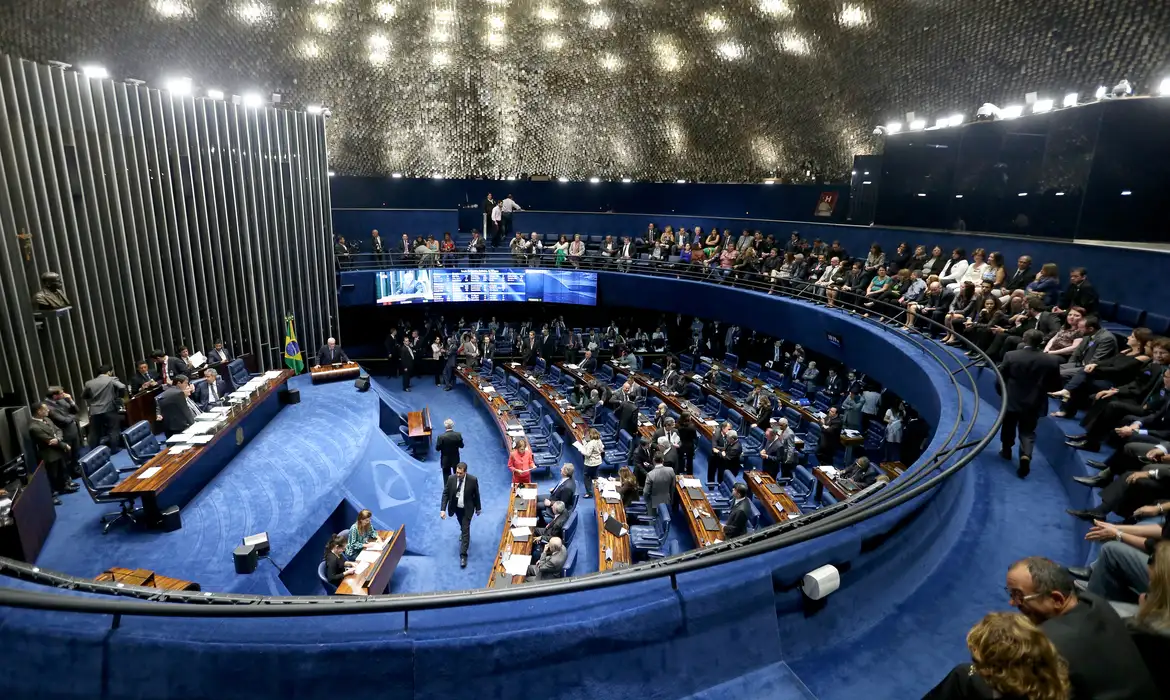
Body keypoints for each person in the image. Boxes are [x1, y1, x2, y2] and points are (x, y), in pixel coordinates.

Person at [1005, 556, 1158, 699]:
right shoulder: (1094, 602)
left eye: (1019, 596)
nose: (1012, 603)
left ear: (1057, 599)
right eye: (1011, 594)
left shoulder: (1047, 645)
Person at [923, 612, 1070, 700]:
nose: (975, 667)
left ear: (995, 671)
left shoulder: (968, 677)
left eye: (978, 662)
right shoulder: (1054, 683)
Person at [998, 330, 1063, 478]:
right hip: (1035, 400)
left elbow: (1001, 378)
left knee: (1008, 424)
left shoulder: (1011, 355)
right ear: (1041, 342)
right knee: (1027, 431)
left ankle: (1006, 450)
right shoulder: (1051, 360)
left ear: (1024, 339)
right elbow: (1057, 386)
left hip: (1012, 398)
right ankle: (1026, 454)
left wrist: (1001, 393)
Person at [29, 401, 73, 504]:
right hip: (49, 454)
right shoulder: (34, 427)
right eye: (45, 409)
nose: (48, 410)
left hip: (58, 450)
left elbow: (58, 430)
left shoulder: (47, 419)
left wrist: (58, 439)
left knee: (61, 470)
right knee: (51, 476)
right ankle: (52, 496)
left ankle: (63, 486)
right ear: (39, 411)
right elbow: (48, 440)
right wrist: (64, 444)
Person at [440, 462, 482, 568]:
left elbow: (476, 494)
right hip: (456, 508)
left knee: (465, 529)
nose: (458, 475)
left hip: (468, 509)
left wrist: (478, 508)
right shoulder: (451, 479)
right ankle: (463, 532)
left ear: (465, 472)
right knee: (461, 524)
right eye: (457, 472)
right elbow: (445, 494)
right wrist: (442, 510)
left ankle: (463, 555)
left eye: (460, 473)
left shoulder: (473, 480)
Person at [81, 364, 127, 451]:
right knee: (113, 429)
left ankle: (94, 451)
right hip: (109, 408)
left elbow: (84, 396)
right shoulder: (111, 379)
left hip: (94, 411)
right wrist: (119, 396)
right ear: (109, 372)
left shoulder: (89, 383)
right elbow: (122, 386)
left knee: (95, 432)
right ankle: (114, 448)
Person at [45, 386, 81, 478]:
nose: (64, 394)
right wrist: (73, 416)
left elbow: (76, 410)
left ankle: (76, 471)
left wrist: (70, 400)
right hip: (65, 434)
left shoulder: (63, 400)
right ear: (54, 396)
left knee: (75, 454)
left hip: (73, 431)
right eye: (61, 393)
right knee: (67, 457)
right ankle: (68, 477)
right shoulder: (48, 407)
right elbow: (64, 420)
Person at [435, 418, 464, 483]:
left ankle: (448, 491)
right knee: (457, 477)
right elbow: (462, 446)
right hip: (455, 459)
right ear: (452, 425)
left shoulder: (441, 437)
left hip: (445, 460)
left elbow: (437, 448)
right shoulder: (458, 435)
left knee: (446, 480)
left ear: (445, 426)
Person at [579, 428, 605, 496]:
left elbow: (587, 453)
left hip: (590, 463)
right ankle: (598, 491)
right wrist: (584, 441)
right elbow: (602, 449)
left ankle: (589, 493)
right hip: (598, 462)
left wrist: (581, 451)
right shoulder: (599, 440)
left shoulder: (591, 443)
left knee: (586, 476)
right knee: (595, 476)